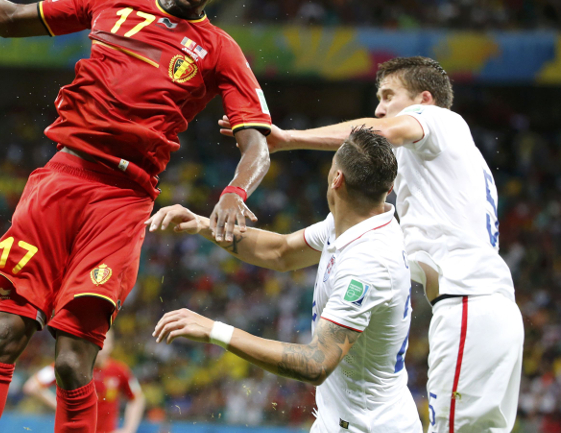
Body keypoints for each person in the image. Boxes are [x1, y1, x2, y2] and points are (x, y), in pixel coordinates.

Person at [0, 0, 272, 433]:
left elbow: (258, 142)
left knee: (73, 361)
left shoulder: (218, 50)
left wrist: (235, 192)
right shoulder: (110, 0)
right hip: (61, 178)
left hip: (123, 201)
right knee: (2, 334)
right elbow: (11, 19)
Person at [220, 56, 523, 432]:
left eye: (388, 95)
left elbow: (374, 134)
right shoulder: (443, 166)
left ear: (424, 100)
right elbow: (282, 251)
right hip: (488, 308)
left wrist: (288, 139)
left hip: (468, 305)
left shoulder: (442, 120)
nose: (379, 108)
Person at [148, 127, 422, 433]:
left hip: (368, 427)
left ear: (337, 179)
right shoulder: (351, 223)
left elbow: (316, 362)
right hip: (345, 420)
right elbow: (280, 252)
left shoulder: (368, 261)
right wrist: (201, 224)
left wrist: (215, 330)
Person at [23, 331, 145, 433]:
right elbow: (32, 386)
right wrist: (61, 407)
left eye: (105, 342)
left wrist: (129, 429)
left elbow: (137, 398)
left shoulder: (120, 371)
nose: (100, 347)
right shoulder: (70, 365)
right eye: (96, 341)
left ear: (112, 345)